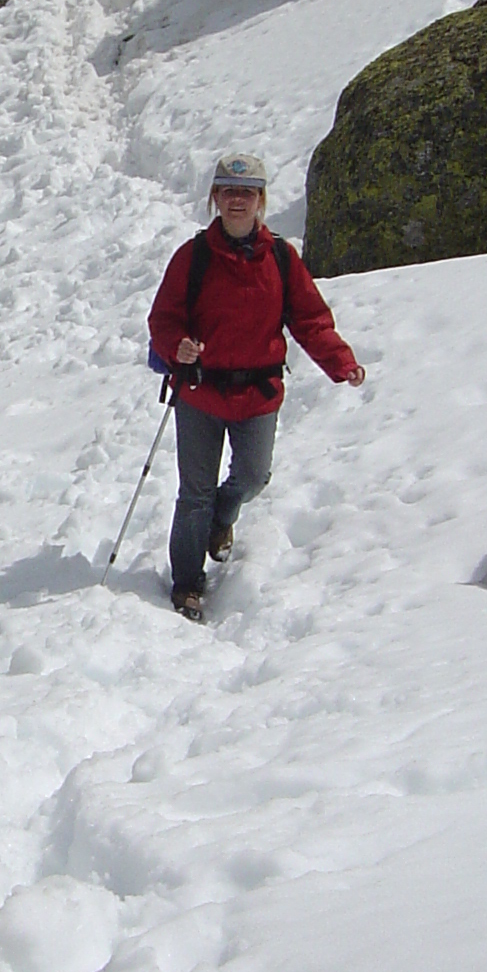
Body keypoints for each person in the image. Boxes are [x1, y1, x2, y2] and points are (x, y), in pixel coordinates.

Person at [146, 152, 366, 621]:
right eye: (228, 191)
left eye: (246, 192)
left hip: (258, 394)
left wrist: (340, 362)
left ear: (261, 199)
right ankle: (187, 584)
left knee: (252, 477)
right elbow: (163, 318)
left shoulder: (281, 259)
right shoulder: (193, 256)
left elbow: (309, 319)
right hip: (200, 392)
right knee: (195, 492)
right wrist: (176, 346)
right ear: (215, 197)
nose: (237, 200)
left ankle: (222, 519)